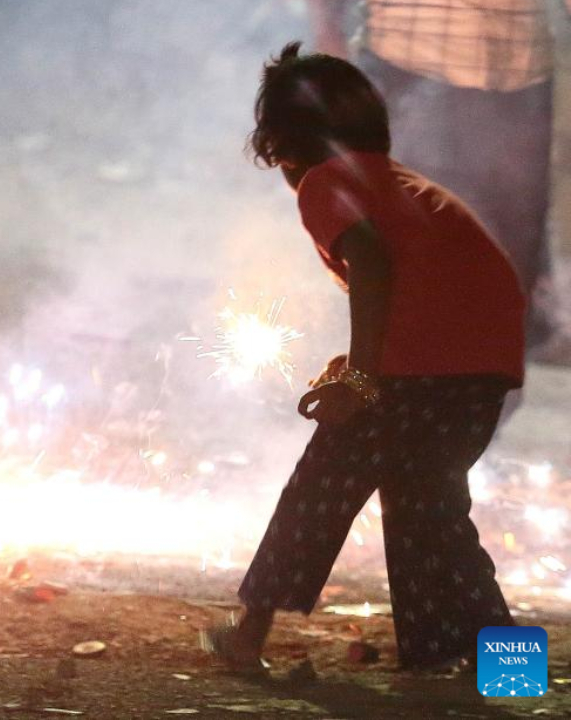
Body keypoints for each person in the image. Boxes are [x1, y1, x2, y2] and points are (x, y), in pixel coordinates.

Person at [205, 42, 522, 674]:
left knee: (320, 489)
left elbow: (373, 268)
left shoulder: (327, 180)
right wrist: (361, 360)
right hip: (482, 367)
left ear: (284, 143)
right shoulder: (396, 180)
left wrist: (360, 377)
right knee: (433, 518)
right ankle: (494, 671)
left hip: (422, 370)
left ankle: (248, 637)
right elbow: (417, 289)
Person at [309, 0, 566, 353]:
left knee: (506, 272)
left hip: (517, 85)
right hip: (410, 69)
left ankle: (484, 392)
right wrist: (328, 33)